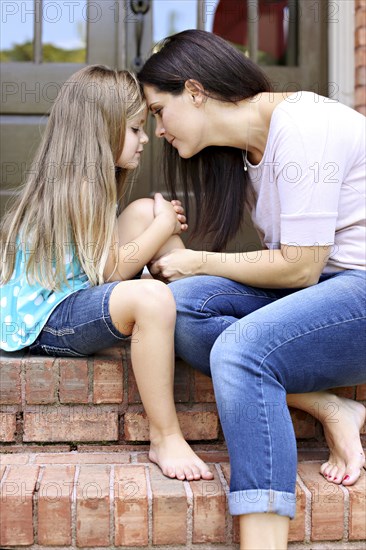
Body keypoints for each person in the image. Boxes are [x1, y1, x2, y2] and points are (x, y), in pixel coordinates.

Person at [138, 30, 366, 549]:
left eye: (157, 110)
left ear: (194, 90)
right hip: (330, 293)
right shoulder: (251, 153)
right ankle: (331, 407)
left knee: (241, 350)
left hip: (357, 290)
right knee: (183, 306)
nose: (157, 130)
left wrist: (199, 259)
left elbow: (300, 268)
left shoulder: (305, 127)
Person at [0, 64, 214, 483]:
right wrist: (163, 228)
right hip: (47, 320)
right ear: (101, 131)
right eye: (135, 129)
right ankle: (165, 435)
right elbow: (110, 270)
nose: (146, 138)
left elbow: (103, 268)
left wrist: (156, 225)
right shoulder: (79, 186)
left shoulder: (86, 181)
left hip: (72, 297)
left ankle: (197, 315)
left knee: (147, 212)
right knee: (151, 296)